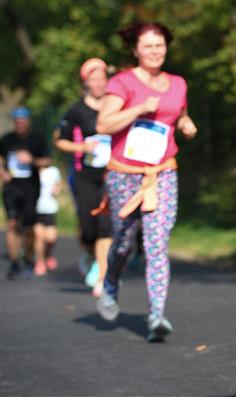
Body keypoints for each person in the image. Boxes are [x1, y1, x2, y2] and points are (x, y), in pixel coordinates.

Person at [95, 22, 197, 343]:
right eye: (148, 46)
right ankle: (110, 283)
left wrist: (186, 123)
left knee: (157, 242)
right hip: (124, 173)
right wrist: (139, 108)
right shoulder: (122, 82)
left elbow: (178, 114)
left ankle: (156, 315)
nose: (155, 51)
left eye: (160, 45)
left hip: (162, 172)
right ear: (135, 49)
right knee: (123, 243)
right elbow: (103, 124)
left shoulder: (178, 83)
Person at [56, 58, 113, 296]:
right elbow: (61, 141)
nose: (98, 83)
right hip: (84, 175)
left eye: (102, 78)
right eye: (93, 79)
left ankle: (102, 276)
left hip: (111, 174)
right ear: (86, 83)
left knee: (106, 226)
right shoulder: (76, 110)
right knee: (88, 228)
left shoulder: (115, 105)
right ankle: (90, 253)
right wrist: (82, 148)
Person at [1, 107, 52, 279]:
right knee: (12, 223)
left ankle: (28, 258)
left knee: (29, 227)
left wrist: (32, 160)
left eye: (23, 120)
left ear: (29, 121)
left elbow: (47, 161)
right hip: (11, 187)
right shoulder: (7, 139)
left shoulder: (37, 139)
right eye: (17, 121)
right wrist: (3, 172)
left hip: (30, 188)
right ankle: (14, 262)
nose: (20, 124)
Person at [33, 163, 62, 276]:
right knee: (39, 236)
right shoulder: (33, 170)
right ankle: (40, 261)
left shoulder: (54, 170)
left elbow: (59, 184)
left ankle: (48, 254)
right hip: (36, 208)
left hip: (50, 208)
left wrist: (57, 189)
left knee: (51, 238)